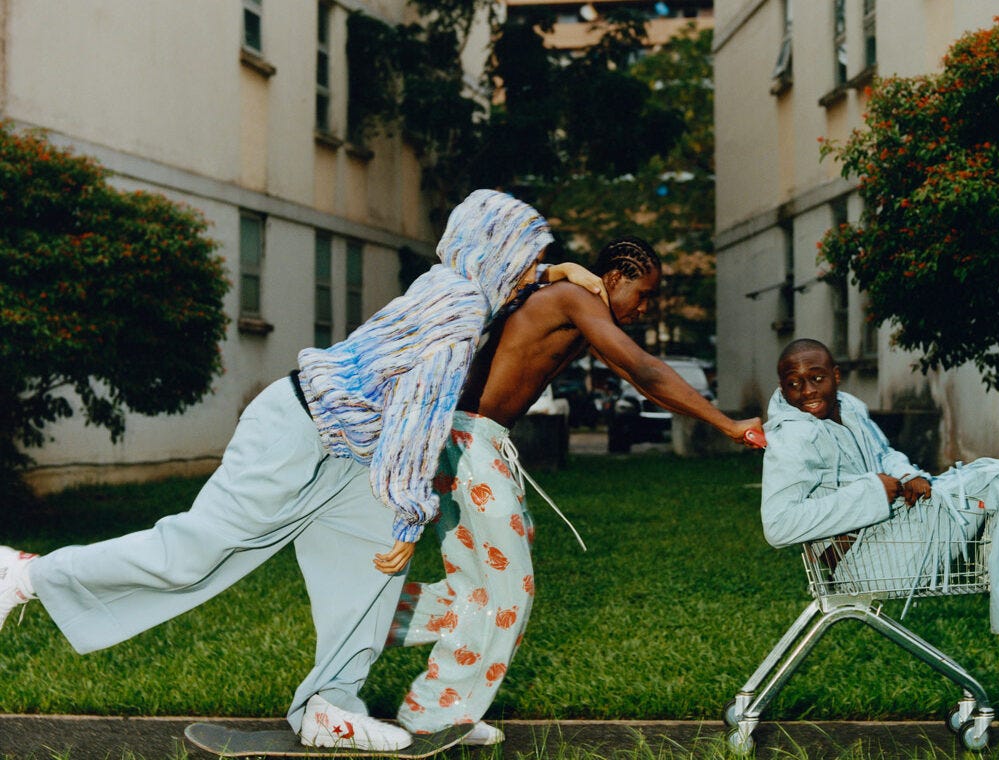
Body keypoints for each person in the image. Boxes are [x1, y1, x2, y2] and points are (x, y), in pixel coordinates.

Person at [0, 189, 605, 752]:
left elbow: (496, 289)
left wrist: (554, 272)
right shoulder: (460, 311)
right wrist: (410, 511)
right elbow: (418, 416)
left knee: (368, 578)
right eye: (528, 258)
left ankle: (329, 707)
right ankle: (26, 574)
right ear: (499, 253)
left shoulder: (452, 282)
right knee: (196, 552)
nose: (531, 271)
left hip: (351, 454)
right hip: (299, 433)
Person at [376, 237, 765, 742]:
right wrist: (729, 424)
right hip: (466, 440)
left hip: (474, 441)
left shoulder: (579, 310)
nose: (644, 309)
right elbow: (646, 368)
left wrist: (719, 423)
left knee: (485, 587)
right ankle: (405, 668)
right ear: (615, 278)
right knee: (509, 590)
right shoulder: (573, 298)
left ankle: (398, 654)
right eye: (643, 295)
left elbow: (641, 380)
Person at [759, 338, 999, 669]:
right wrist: (871, 492)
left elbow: (883, 453)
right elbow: (778, 525)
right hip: (861, 560)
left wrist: (907, 476)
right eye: (794, 383)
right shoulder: (792, 437)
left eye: (817, 378)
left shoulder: (849, 408)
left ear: (836, 376)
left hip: (887, 531)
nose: (807, 391)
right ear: (782, 386)